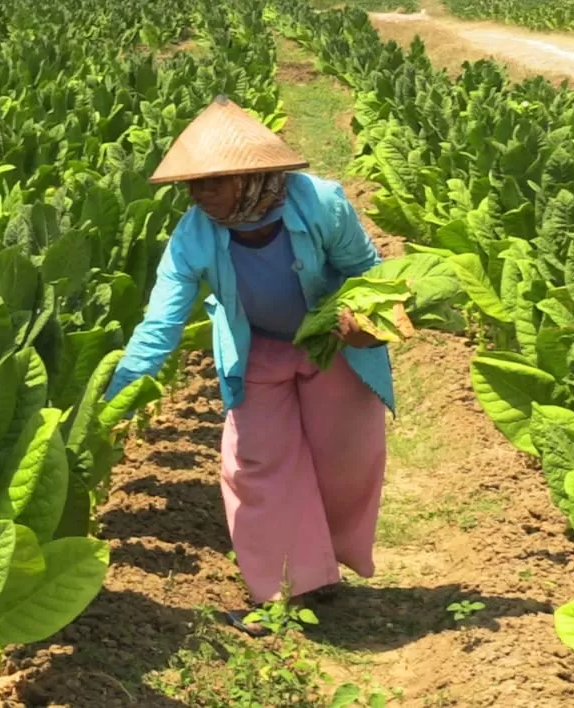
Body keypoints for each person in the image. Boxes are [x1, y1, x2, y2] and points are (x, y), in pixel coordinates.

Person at [103, 95, 393, 633]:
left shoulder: (322, 205)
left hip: (329, 345)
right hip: (256, 350)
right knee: (256, 466)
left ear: (252, 175)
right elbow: (161, 325)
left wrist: (363, 318)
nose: (199, 195)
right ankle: (280, 590)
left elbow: (367, 271)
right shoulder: (193, 235)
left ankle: (324, 567)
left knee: (345, 459)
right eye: (192, 185)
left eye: (212, 182)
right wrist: (116, 395)